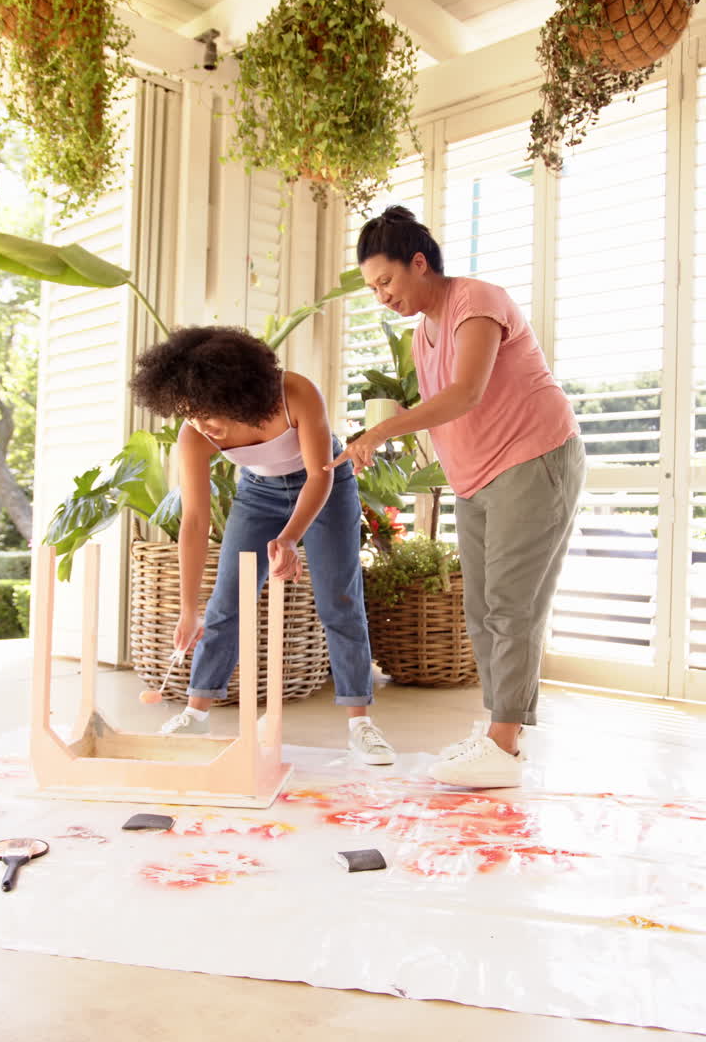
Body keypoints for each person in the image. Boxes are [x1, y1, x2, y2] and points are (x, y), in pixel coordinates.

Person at [327, 205, 585, 790]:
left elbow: (466, 393)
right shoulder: (424, 334)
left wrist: (383, 430)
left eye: (387, 281)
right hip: (478, 482)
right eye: (373, 288)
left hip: (534, 458)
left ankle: (504, 741)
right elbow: (447, 418)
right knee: (482, 609)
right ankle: (501, 733)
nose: (381, 296)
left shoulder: (477, 301)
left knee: (511, 605)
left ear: (419, 263)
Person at [130, 326, 395, 766]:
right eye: (191, 412)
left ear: (238, 392)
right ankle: (196, 713)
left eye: (211, 412)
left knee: (340, 600)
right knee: (225, 603)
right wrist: (188, 607)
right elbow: (194, 522)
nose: (203, 425)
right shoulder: (194, 435)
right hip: (258, 493)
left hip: (327, 483)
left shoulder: (294, 392)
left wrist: (290, 539)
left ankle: (360, 724)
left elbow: (320, 475)